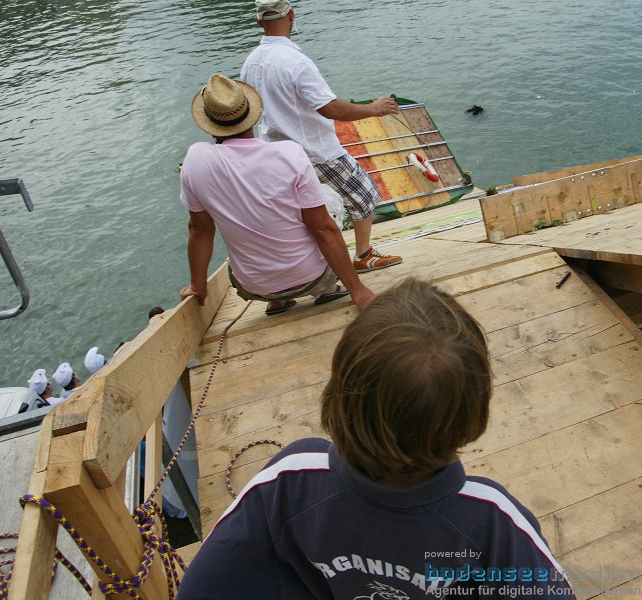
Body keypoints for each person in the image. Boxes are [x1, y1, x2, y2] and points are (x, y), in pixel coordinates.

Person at [178, 279, 575, 599]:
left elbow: (203, 588)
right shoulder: (493, 519)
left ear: (337, 395)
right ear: (473, 415)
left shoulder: (290, 478)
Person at [179, 73, 375, 314]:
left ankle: (277, 301)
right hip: (313, 277)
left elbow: (199, 230)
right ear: (251, 114)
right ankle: (326, 289)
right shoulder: (289, 154)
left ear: (208, 122)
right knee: (327, 197)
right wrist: (358, 289)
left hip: (253, 287)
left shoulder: (195, 159)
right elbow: (322, 228)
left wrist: (198, 286)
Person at [240, 0, 403, 274]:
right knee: (364, 196)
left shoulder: (250, 63)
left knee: (298, 213)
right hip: (315, 151)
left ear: (259, 22)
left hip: (275, 152)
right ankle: (363, 254)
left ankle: (296, 271)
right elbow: (331, 108)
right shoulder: (295, 61)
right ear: (291, 15)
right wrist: (373, 109)